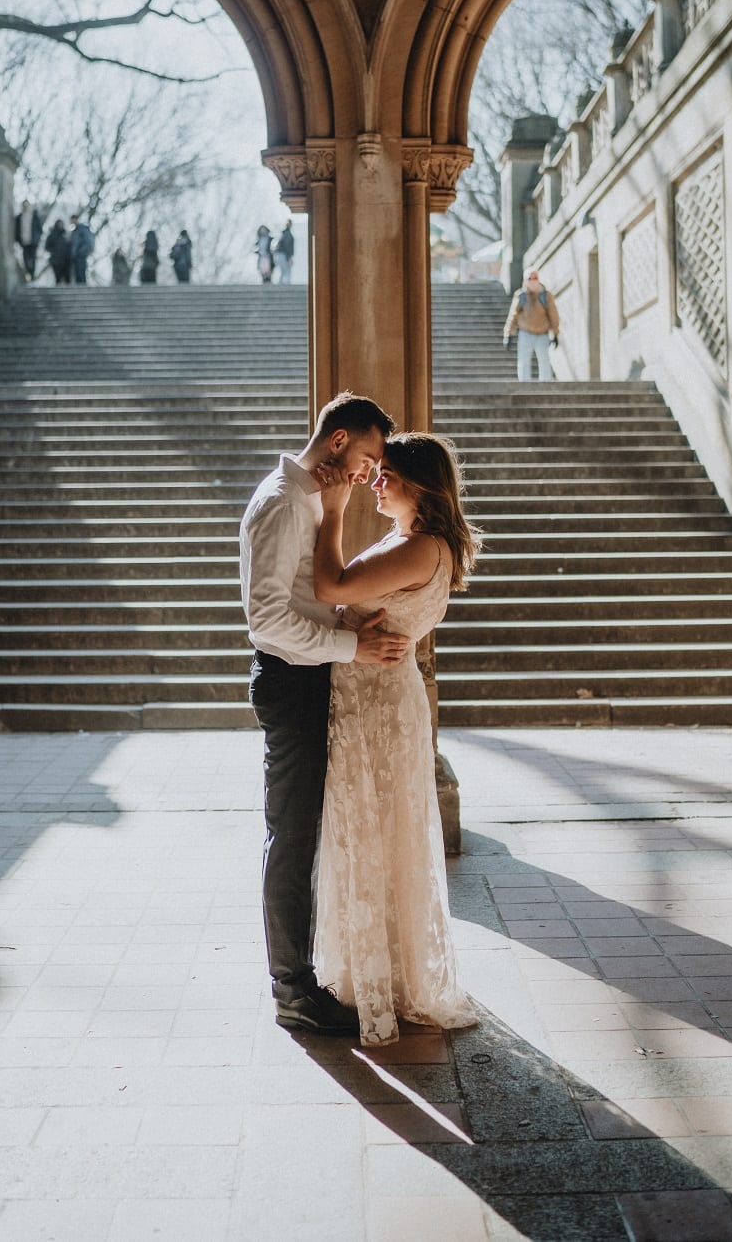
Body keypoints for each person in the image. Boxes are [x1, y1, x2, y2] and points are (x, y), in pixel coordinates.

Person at [240, 391, 411, 1037]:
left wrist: (341, 619)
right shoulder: (284, 502)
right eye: (368, 457)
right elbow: (267, 619)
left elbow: (302, 599)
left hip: (310, 672)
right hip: (289, 680)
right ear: (338, 441)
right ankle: (292, 988)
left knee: (303, 832)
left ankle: (297, 979)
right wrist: (353, 645)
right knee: (291, 835)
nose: (371, 473)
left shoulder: (312, 499)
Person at [312, 432, 481, 1046]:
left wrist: (332, 510)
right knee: (375, 831)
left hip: (375, 704)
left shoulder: (419, 548)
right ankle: (376, 970)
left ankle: (384, 980)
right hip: (374, 693)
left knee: (376, 831)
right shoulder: (414, 542)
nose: (375, 484)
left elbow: (331, 588)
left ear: (419, 485)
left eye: (386, 475)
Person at [502, 267, 560, 381]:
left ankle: (545, 386)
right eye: (530, 278)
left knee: (544, 362)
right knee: (523, 361)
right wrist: (507, 334)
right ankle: (524, 385)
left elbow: (554, 315)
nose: (532, 281)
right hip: (525, 333)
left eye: (535, 278)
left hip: (542, 333)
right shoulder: (521, 296)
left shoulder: (546, 296)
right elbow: (513, 315)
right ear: (525, 280)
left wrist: (555, 333)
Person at [14, 199, 43, 281]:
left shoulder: (35, 216)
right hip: (24, 242)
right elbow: (16, 230)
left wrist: (37, 239)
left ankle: (32, 276)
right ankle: (28, 274)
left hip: (33, 242)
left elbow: (39, 230)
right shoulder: (19, 217)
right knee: (26, 259)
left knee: (33, 259)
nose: (25, 207)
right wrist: (18, 240)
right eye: (24, 206)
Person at [69, 214, 95, 285]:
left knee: (81, 271)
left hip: (80, 254)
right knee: (77, 272)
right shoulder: (74, 231)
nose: (71, 221)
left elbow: (88, 241)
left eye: (72, 219)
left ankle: (83, 286)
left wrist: (81, 252)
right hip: (76, 255)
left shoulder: (82, 228)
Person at [44, 219, 71, 284]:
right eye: (59, 224)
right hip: (55, 259)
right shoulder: (52, 235)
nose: (60, 225)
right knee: (58, 277)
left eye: (62, 224)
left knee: (67, 277)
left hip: (66, 259)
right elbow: (47, 247)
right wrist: (54, 252)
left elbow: (70, 246)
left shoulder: (66, 234)